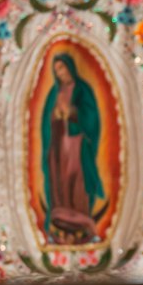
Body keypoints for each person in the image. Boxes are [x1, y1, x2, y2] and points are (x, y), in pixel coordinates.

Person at [41, 52, 106, 244]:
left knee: (76, 177)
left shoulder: (82, 89)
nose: (60, 73)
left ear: (69, 67)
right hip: (59, 143)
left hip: (77, 141)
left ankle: (81, 220)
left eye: (61, 68)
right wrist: (56, 116)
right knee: (60, 179)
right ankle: (60, 221)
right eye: (56, 70)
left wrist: (73, 113)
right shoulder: (55, 92)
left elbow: (92, 117)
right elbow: (46, 121)